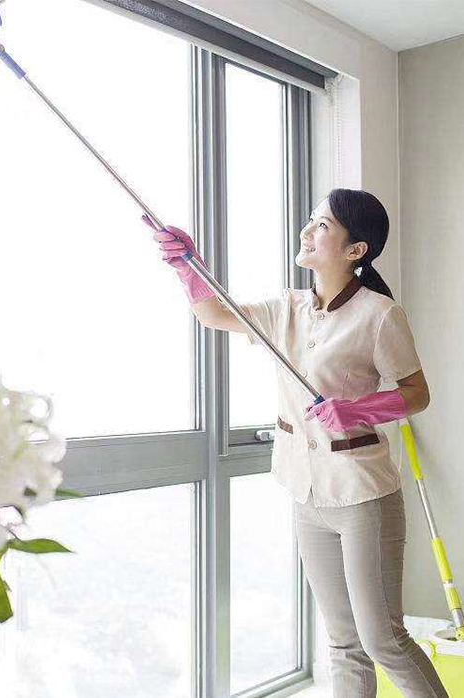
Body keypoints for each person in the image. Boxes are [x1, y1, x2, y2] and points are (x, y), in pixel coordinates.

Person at [147, 188, 447, 698]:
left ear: (356, 250)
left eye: (322, 225)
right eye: (311, 220)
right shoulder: (287, 307)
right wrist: (187, 266)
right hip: (307, 495)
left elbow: (416, 393)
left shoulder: (379, 315)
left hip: (363, 498)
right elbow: (214, 314)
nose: (307, 231)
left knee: (384, 640)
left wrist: (357, 409)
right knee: (344, 643)